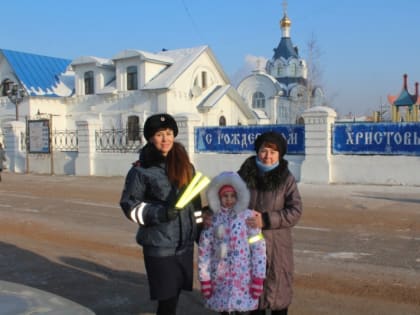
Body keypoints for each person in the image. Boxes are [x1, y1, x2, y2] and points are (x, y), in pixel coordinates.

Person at [119, 113, 203, 315]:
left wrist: (200, 232)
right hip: (159, 245)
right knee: (166, 299)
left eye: (168, 133)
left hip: (184, 243)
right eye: (159, 134)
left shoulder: (186, 165)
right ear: (150, 138)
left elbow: (195, 204)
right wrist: (161, 213)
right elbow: (130, 206)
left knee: (174, 296)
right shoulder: (141, 171)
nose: (165, 139)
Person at [237, 131, 303, 315]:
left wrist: (265, 220)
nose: (268, 156)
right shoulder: (244, 175)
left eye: (273, 152)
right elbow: (228, 199)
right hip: (248, 246)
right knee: (253, 299)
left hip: (277, 248)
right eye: (264, 150)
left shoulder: (286, 178)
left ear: (279, 155)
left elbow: (295, 211)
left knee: (277, 296)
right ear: (258, 151)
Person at [198, 171, 266, 315]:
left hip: (243, 280)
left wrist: (258, 278)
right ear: (218, 197)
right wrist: (205, 280)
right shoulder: (213, 219)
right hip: (220, 280)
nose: (229, 199)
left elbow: (258, 250)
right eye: (225, 196)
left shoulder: (248, 217)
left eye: (233, 195)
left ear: (239, 196)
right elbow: (204, 252)